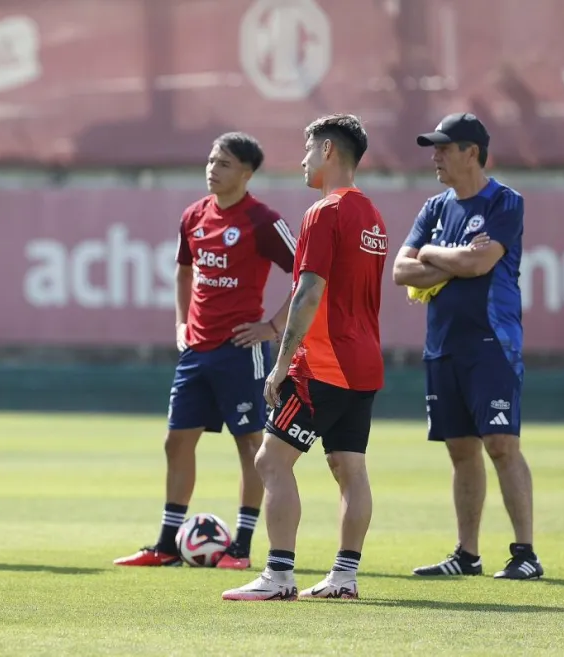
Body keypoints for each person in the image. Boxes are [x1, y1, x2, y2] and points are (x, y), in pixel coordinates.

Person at [222, 114, 387, 602]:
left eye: (308, 149)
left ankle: (278, 575)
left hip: (323, 364)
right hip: (364, 363)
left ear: (329, 151)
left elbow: (309, 290)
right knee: (348, 467)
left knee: (270, 461)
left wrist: (280, 362)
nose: (302, 159)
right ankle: (344, 577)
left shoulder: (324, 212)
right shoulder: (372, 215)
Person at [114, 132, 296, 570]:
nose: (213, 169)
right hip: (196, 349)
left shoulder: (263, 221)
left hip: (241, 350)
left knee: (250, 443)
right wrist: (181, 322)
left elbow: (306, 275)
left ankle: (241, 547)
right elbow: (183, 270)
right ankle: (166, 545)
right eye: (212, 160)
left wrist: (273, 326)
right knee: (176, 441)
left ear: (247, 174)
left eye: (225, 163)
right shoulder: (193, 215)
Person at [393, 112, 542, 580]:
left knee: (500, 443)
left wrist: (433, 255)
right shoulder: (434, 208)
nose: (435, 156)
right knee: (460, 450)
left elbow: (480, 265)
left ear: (471, 152)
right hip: (442, 345)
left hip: (491, 342)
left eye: (443, 147)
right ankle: (467, 555)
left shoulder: (505, 202)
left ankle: (525, 554)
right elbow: (400, 269)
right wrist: (450, 257)